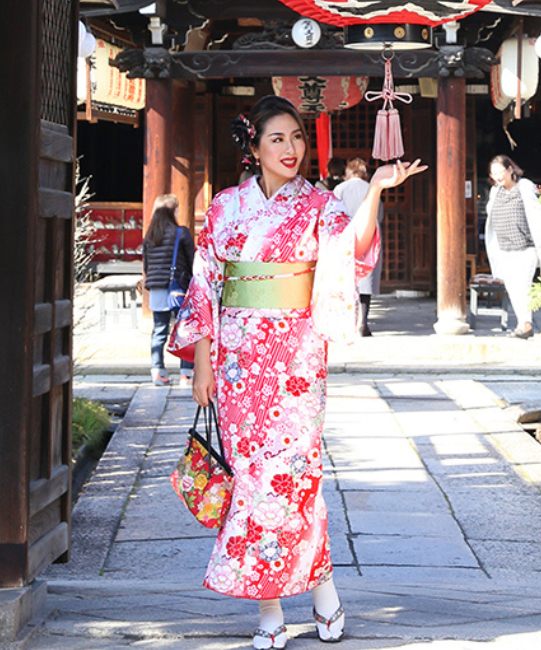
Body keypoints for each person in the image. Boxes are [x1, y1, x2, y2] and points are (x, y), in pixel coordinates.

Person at [167, 95, 425, 649]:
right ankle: (271, 610)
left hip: (295, 359)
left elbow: (353, 250)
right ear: (253, 146)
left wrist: (376, 191)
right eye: (278, 138)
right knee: (252, 484)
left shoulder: (317, 203)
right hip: (237, 362)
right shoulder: (224, 208)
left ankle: (323, 587)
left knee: (294, 479)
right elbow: (206, 285)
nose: (291, 149)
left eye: (297, 138)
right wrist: (203, 364)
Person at [484, 154, 541, 339]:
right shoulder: (495, 192)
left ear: (510, 170)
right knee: (511, 287)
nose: (498, 177)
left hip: (526, 247)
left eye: (501, 172)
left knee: (523, 286)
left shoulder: (524, 186)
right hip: (504, 248)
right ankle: (522, 323)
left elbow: (536, 214)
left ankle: (525, 325)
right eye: (494, 174)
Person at [142, 194, 195, 386]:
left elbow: (147, 265)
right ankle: (186, 373)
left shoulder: (149, 236)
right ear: (174, 211)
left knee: (159, 330)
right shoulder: (181, 233)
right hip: (178, 288)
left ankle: (157, 372)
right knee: (184, 329)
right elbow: (192, 261)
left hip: (156, 288)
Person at [333, 158, 382, 337]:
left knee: (346, 280)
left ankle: (348, 321)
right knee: (366, 282)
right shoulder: (371, 188)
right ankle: (363, 323)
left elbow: (332, 214)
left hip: (345, 238)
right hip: (368, 236)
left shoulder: (340, 189)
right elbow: (380, 214)